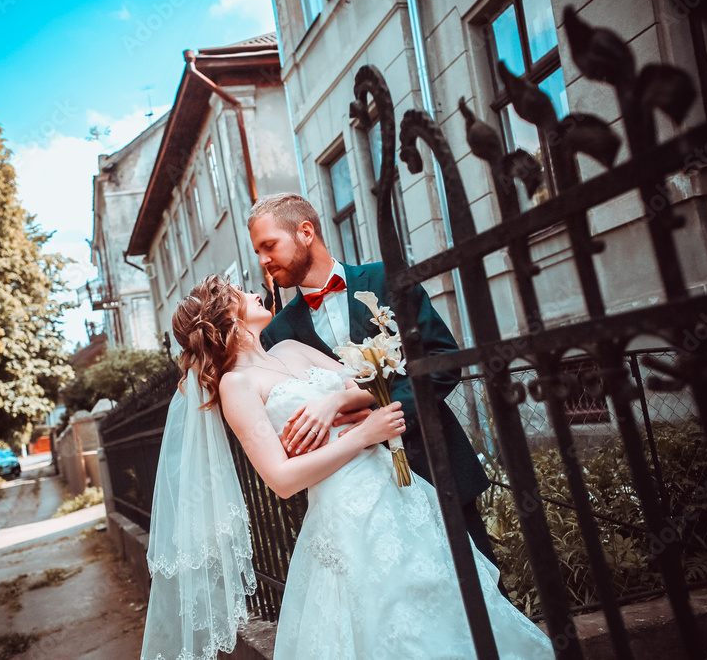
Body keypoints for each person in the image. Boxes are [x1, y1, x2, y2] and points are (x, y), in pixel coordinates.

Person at [139, 275, 553, 660]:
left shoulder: (290, 348)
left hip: (398, 491)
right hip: (346, 512)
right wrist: (362, 434)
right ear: (228, 315)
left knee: (444, 596)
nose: (254, 291)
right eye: (240, 292)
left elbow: (368, 385)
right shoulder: (236, 385)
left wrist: (333, 402)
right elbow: (281, 479)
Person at [249, 192, 498, 567]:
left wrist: (384, 414)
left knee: (483, 596)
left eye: (269, 246)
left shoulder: (387, 280)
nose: (264, 261)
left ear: (305, 232)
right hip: (359, 501)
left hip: (435, 465)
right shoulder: (278, 332)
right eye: (258, 252)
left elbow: (442, 359)